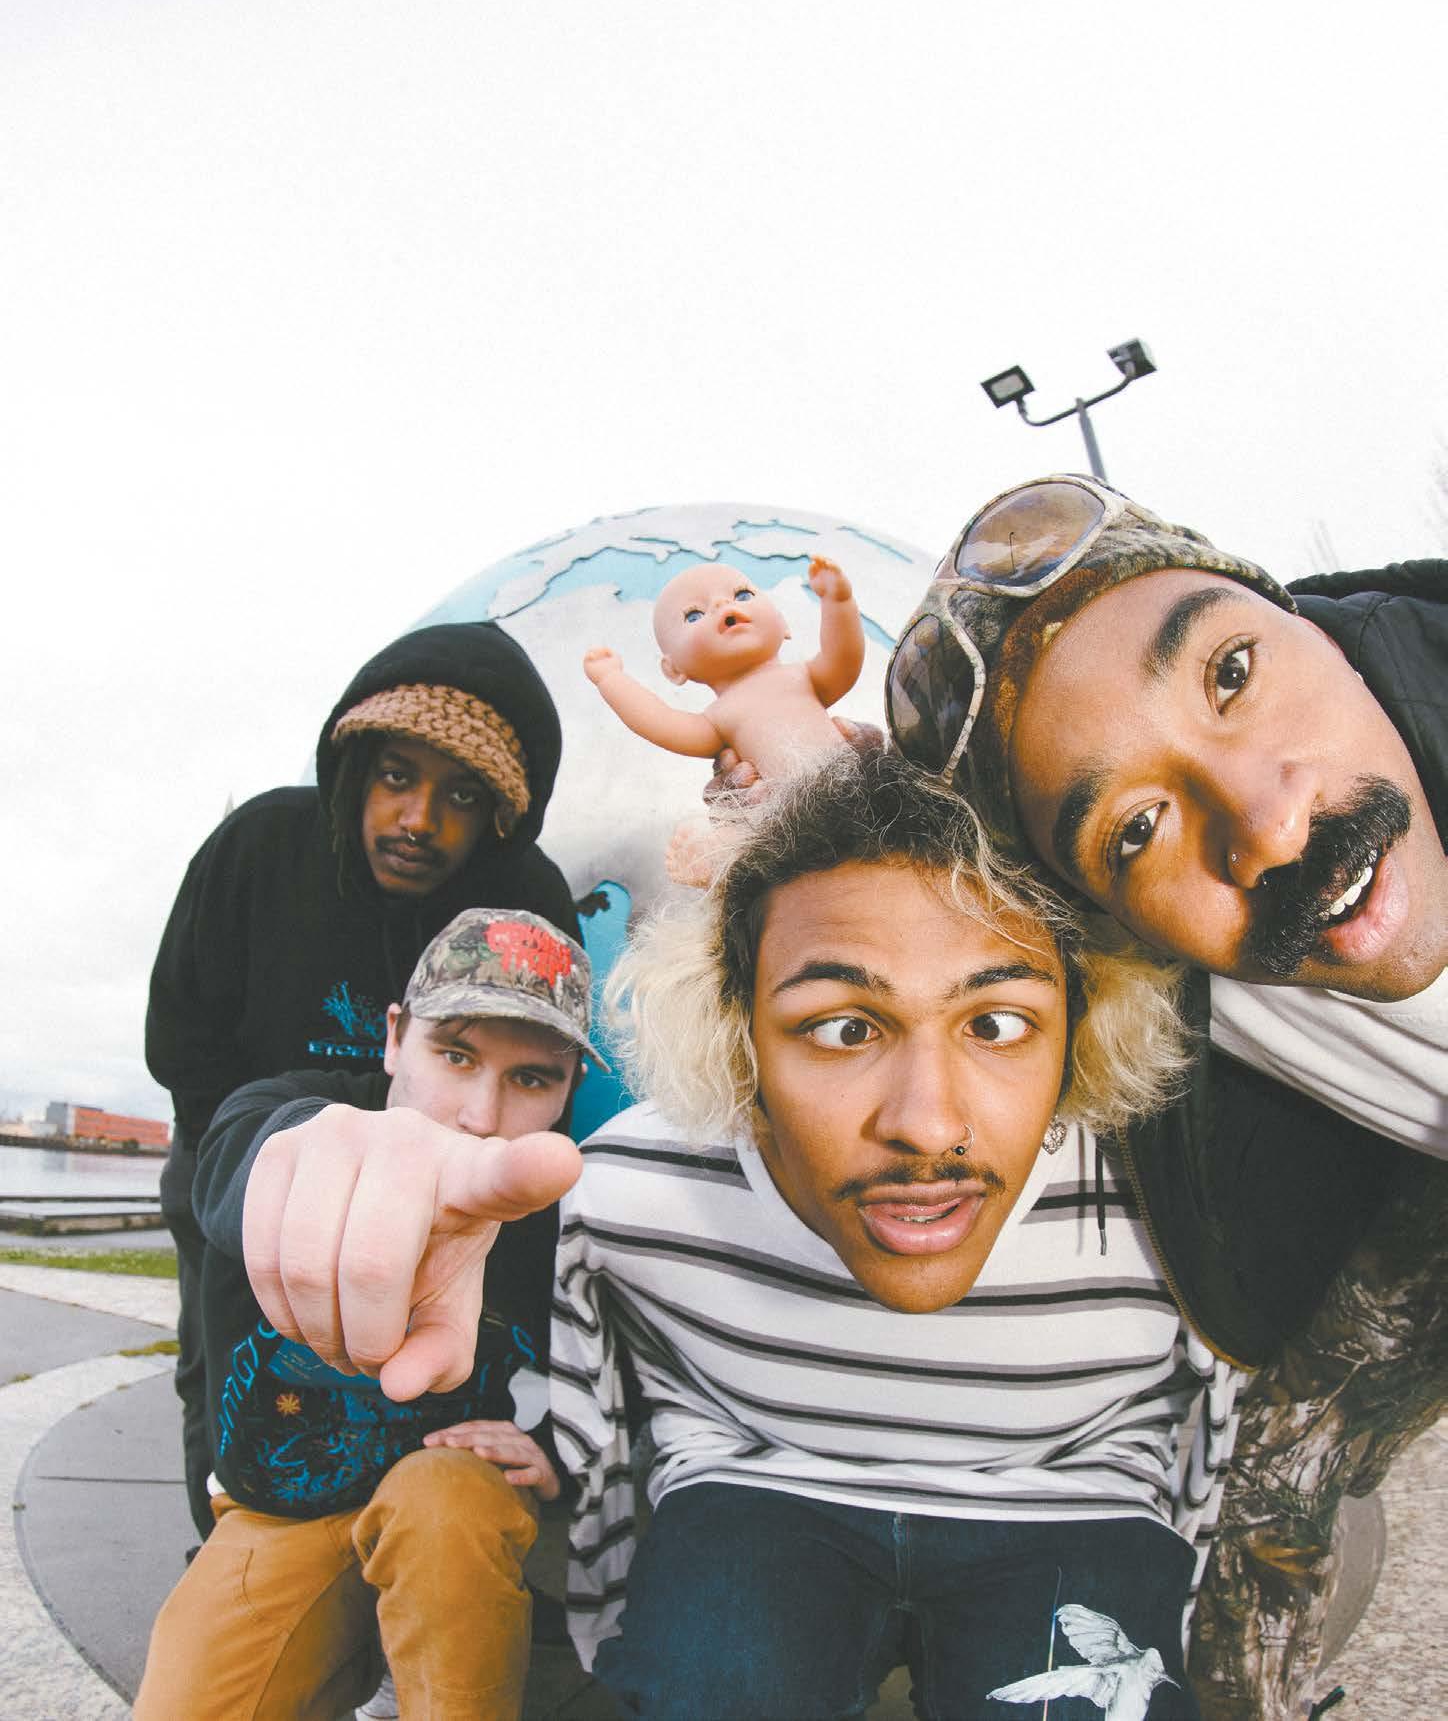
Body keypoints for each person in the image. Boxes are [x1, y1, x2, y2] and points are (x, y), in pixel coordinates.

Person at [884, 473, 1447, 1718]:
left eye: (1231, 675)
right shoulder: (1148, 1000)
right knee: (1253, 1526)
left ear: (1300, 618)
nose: (1268, 824)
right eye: (1135, 829)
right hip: (1414, 1211)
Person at [543, 748, 1219, 1719]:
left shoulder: (1166, 1211)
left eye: (995, 1024)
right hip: (753, 1486)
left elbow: (1211, 1451)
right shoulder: (630, 1191)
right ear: (739, 1031)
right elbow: (595, 1444)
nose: (927, 1124)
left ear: (1079, 1027)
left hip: (1075, 1496)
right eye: (842, 1028)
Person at [147, 620, 577, 1540]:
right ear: (355, 769)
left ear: (501, 814)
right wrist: (252, 1149)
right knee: (219, 1378)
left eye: (462, 795)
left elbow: (545, 1053)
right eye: (395, 777)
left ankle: (388, 1562)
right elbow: (182, 1027)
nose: (419, 818)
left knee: (407, 1374)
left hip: (441, 1194)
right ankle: (225, 1541)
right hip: (239, 1159)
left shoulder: (527, 898)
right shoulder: (260, 844)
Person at [134, 907, 592, 1721]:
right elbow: (237, 1162)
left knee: (445, 1511)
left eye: (531, 1079)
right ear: (393, 1037)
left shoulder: (564, 1207)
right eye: (456, 1055)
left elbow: (627, 1364)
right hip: (279, 1507)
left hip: (450, 1495)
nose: (479, 1115)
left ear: (568, 1093)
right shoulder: (286, 1110)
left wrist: (559, 1451)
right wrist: (308, 1170)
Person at [583, 556, 865, 778]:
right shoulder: (718, 720)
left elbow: (843, 657)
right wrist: (611, 679)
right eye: (694, 615)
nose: (721, 604)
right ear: (674, 669)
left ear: (783, 624)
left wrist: (838, 602)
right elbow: (659, 721)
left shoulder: (804, 677)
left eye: (742, 595)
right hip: (792, 820)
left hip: (860, 785)